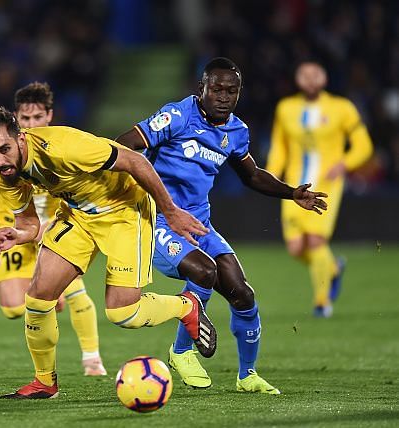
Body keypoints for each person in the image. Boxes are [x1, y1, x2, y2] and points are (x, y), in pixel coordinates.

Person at [116, 57, 328, 394]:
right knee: (204, 272)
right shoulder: (177, 115)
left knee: (242, 293)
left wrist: (292, 193)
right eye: (217, 88)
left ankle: (247, 375)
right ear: (202, 88)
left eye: (232, 90)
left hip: (199, 222)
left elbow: (251, 175)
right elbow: (123, 145)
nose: (224, 96)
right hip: (158, 220)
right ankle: (181, 352)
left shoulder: (236, 131)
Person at [0, 106, 217, 399]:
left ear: (21, 138)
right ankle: (44, 383)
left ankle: (186, 306)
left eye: (4, 149)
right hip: (78, 214)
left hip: (124, 210)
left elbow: (135, 162)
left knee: (123, 313)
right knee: (38, 298)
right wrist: (19, 234)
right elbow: (28, 222)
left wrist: (171, 211)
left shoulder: (65, 147)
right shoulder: (1, 169)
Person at [0, 82, 106, 376]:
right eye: (25, 119)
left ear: (49, 116)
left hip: (52, 229)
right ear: (16, 120)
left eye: (37, 117)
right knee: (13, 308)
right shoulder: (4, 147)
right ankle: (48, 295)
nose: (31, 124)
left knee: (76, 291)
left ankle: (92, 359)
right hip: (14, 230)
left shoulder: (57, 146)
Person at [266, 61, 373, 318]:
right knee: (295, 248)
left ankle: (322, 301)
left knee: (315, 240)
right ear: (297, 79)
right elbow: (279, 146)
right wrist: (270, 175)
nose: (311, 79)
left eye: (316, 74)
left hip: (327, 184)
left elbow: (363, 145)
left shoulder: (341, 108)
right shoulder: (286, 108)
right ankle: (333, 269)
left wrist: (344, 164)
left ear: (325, 78)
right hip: (294, 186)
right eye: (305, 74)